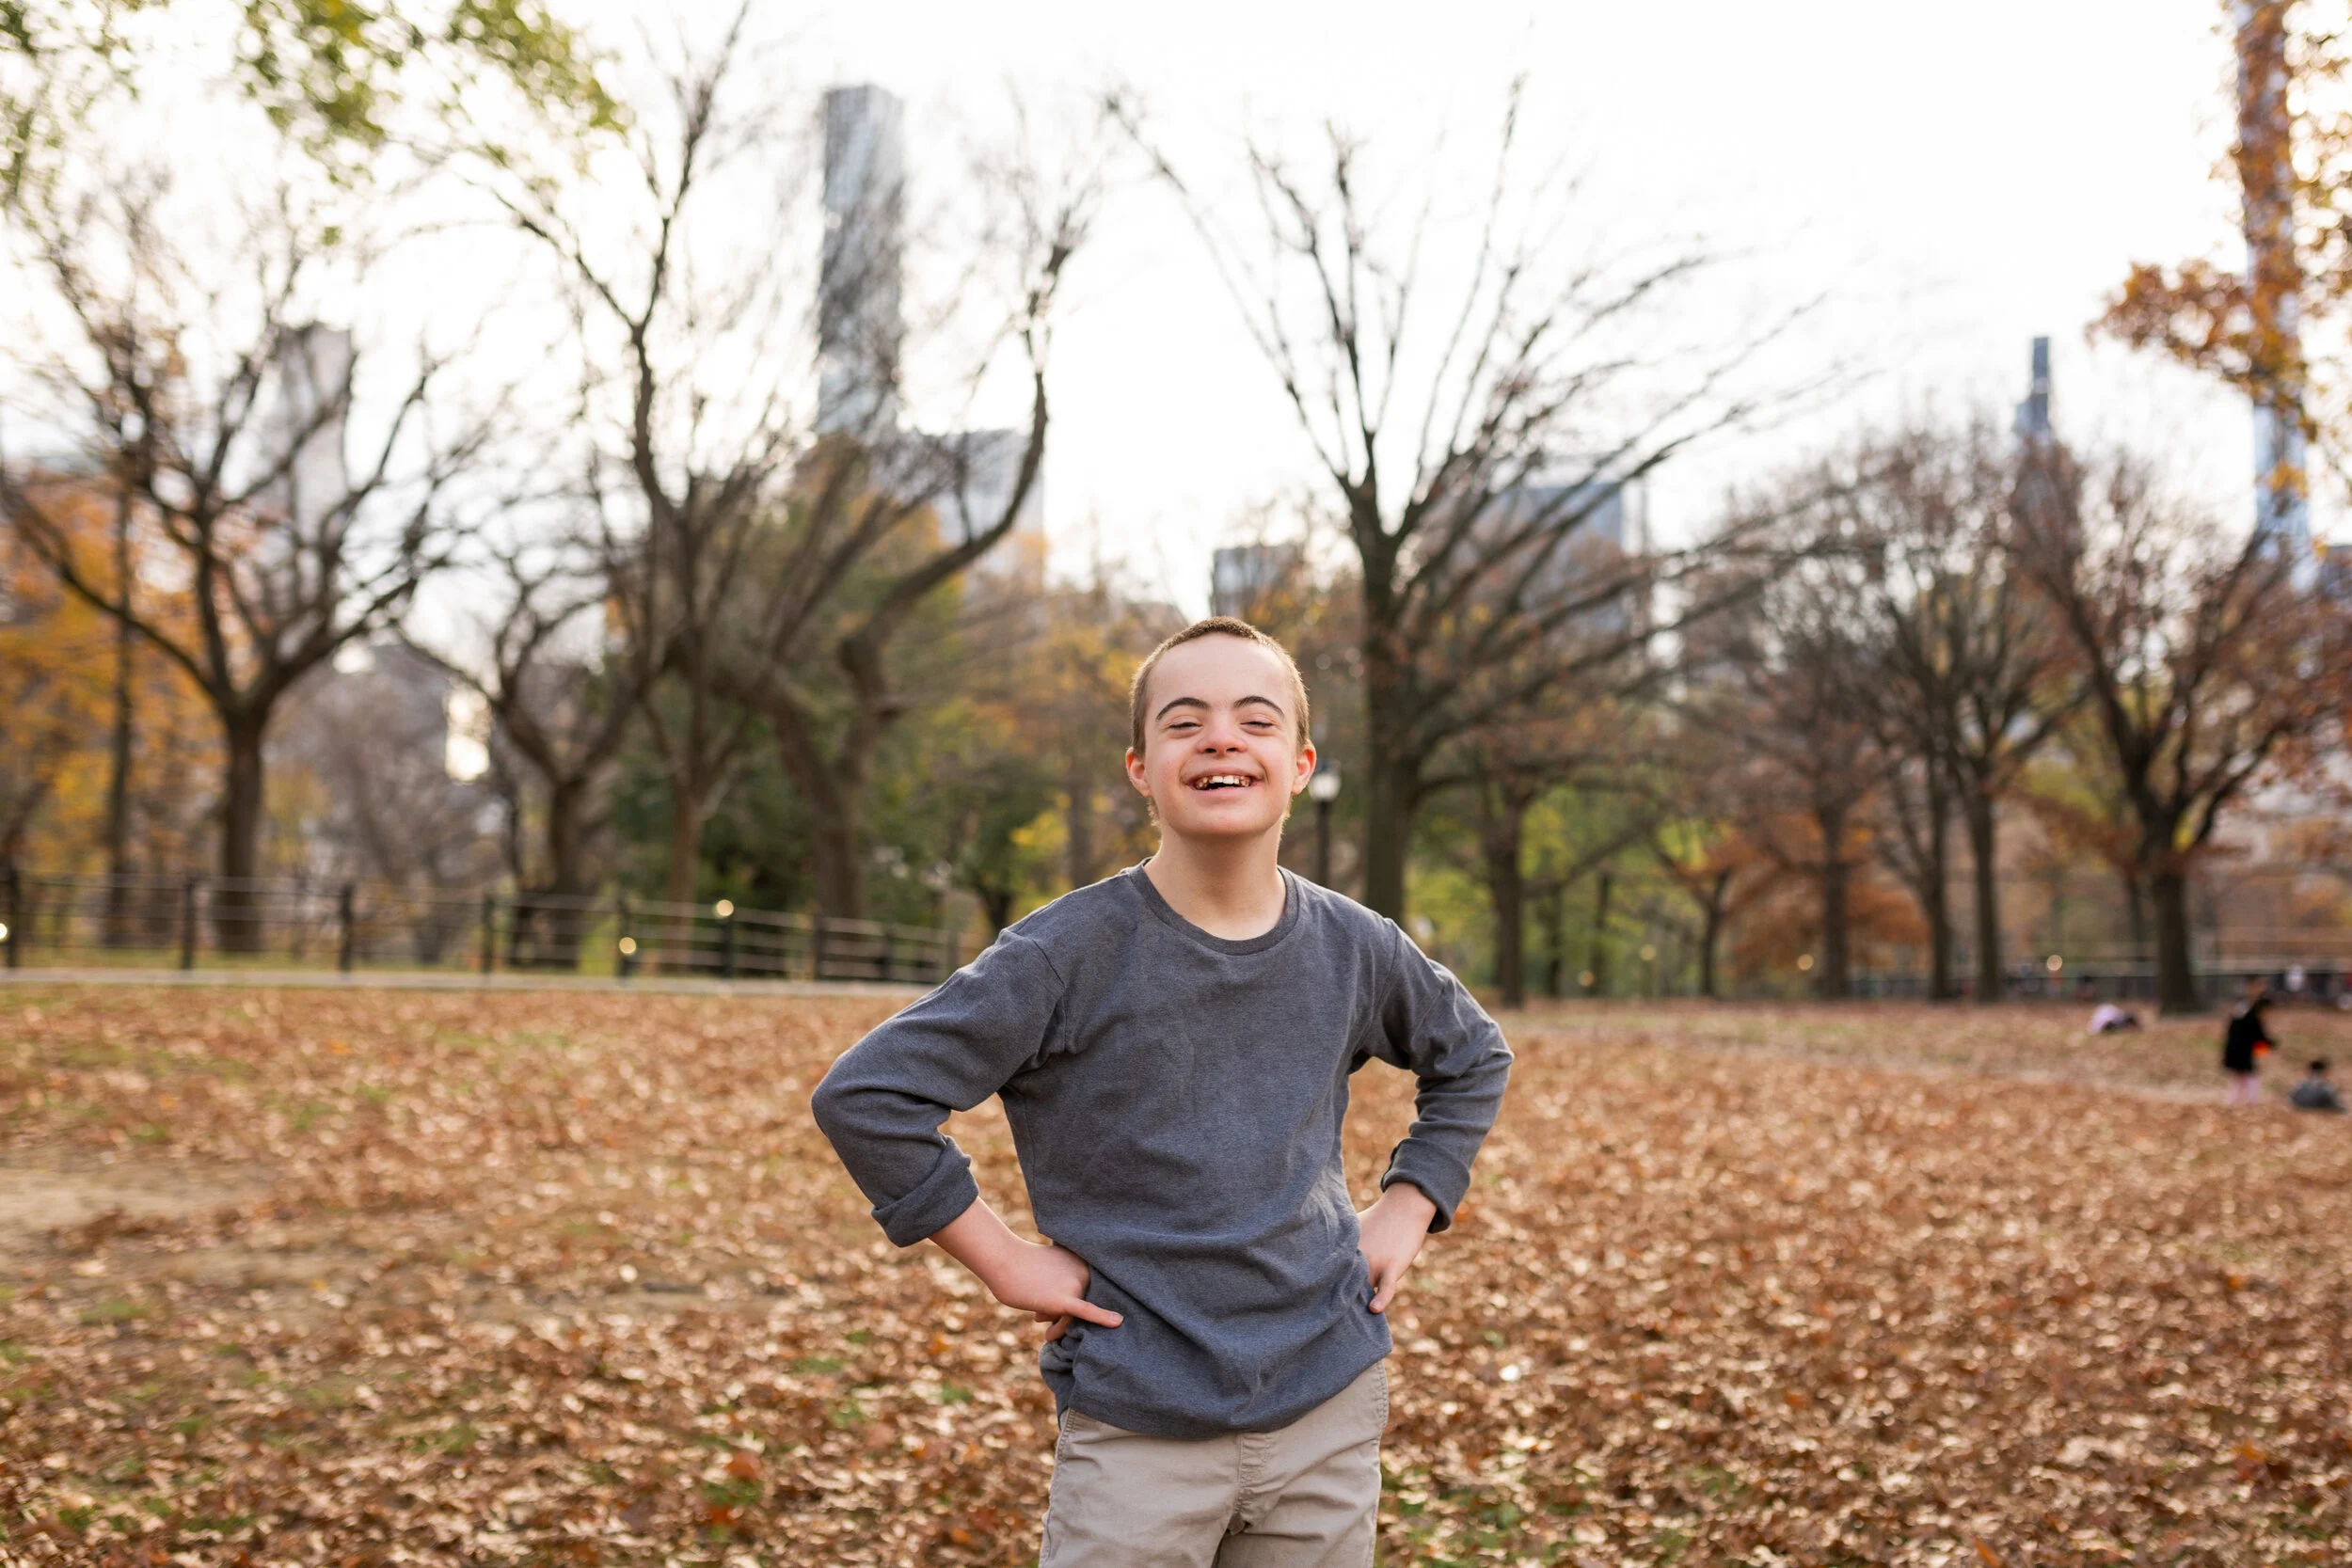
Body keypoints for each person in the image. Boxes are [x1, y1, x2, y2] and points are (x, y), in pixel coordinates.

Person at [810, 618, 1512, 1566]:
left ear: (1300, 764)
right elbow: (867, 1095)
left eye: (1255, 720)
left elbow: (1472, 1056)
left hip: (1327, 1404)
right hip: (1139, 1424)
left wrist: (1410, 1201)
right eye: (1185, 722)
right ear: (1140, 768)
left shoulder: (1356, 945)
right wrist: (1003, 1259)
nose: (1221, 738)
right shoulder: (1064, 954)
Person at [2221, 977, 2276, 1106]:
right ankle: (2251, 1102)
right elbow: (2259, 1037)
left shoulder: (2243, 1012)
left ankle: (2233, 1102)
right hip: (2241, 1053)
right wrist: (2270, 1044)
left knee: (2239, 1078)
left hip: (2235, 1051)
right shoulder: (2251, 1017)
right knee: (2249, 1077)